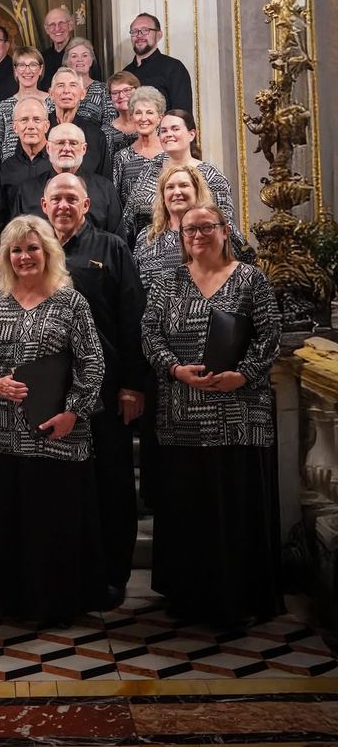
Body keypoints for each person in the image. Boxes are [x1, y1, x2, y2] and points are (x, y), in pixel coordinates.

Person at [142, 203, 283, 627]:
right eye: (189, 230)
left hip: (238, 414)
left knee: (234, 506)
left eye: (206, 227)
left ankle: (240, 596)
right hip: (182, 415)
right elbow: (149, 333)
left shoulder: (250, 279)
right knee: (189, 508)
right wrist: (173, 368)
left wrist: (244, 375)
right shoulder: (169, 282)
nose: (197, 236)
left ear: (224, 231)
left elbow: (269, 335)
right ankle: (190, 595)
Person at [0, 215, 106, 623]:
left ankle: (60, 603)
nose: (25, 256)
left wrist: (74, 412)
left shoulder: (70, 301)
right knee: (12, 522)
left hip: (59, 434)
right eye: (16, 250)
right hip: (6, 438)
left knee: (55, 523)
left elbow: (93, 363)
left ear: (48, 253)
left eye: (33, 248)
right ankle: (16, 600)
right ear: (6, 258)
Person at [41, 173, 146, 605]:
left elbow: (132, 317)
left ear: (86, 205)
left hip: (105, 390)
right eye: (56, 199)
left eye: (71, 198)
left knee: (112, 484)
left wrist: (134, 386)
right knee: (61, 486)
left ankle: (112, 576)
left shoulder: (112, 249)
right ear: (43, 206)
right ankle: (67, 572)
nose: (63, 205)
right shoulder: (32, 250)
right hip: (49, 391)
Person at [123, 108, 238, 248]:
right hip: (151, 252)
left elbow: (226, 226)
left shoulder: (212, 175)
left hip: (199, 252)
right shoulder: (149, 169)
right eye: (164, 131)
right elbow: (128, 220)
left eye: (175, 129)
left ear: (191, 134)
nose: (169, 134)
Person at [134, 163, 253, 290]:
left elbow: (250, 264)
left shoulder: (219, 229)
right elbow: (133, 284)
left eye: (184, 185)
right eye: (170, 187)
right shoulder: (147, 236)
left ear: (197, 191)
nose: (177, 192)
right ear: (163, 197)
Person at [14, 122, 125, 238]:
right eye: (60, 143)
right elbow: (16, 239)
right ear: (48, 148)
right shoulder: (27, 191)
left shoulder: (105, 189)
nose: (66, 149)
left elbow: (117, 243)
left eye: (73, 143)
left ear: (84, 149)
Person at [0, 46, 52, 202]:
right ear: (15, 70)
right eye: (21, 65)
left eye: (33, 65)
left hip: (47, 174)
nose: (27, 70)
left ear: (40, 69)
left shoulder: (52, 104)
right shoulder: (3, 107)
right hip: (12, 180)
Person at [0, 94, 52, 229]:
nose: (30, 126)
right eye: (24, 120)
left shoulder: (58, 163)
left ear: (46, 126)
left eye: (37, 120)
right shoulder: (7, 168)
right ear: (15, 127)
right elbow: (3, 215)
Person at [112, 86, 166, 220]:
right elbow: (116, 203)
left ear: (159, 118)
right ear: (132, 117)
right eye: (138, 113)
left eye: (149, 112)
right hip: (131, 234)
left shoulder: (171, 153)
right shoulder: (122, 158)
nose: (143, 118)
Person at [122, 13, 193, 113]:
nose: (139, 35)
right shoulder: (126, 72)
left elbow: (182, 114)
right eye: (134, 31)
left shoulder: (174, 68)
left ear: (159, 35)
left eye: (145, 30)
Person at [48, 67, 111, 178]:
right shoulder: (38, 130)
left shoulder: (96, 135)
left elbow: (104, 183)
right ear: (51, 94)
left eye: (73, 85)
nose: (66, 91)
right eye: (60, 85)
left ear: (82, 94)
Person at [64, 37, 115, 127]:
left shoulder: (103, 90)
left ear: (91, 60)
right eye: (74, 56)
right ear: (67, 62)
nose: (80, 59)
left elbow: (111, 124)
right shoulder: (59, 88)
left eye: (85, 55)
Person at [102, 71, 140, 156]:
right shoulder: (105, 132)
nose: (121, 96)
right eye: (115, 92)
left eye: (127, 90)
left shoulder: (151, 124)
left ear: (138, 91)